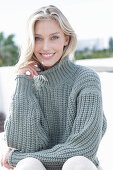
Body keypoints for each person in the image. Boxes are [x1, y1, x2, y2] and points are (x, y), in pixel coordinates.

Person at [1, 5, 107, 170]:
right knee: (28, 164)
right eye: (37, 38)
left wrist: (16, 157)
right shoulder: (28, 83)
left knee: (76, 163)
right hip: (38, 167)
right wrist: (23, 84)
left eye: (54, 37)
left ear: (66, 39)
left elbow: (83, 150)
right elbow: (21, 143)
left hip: (80, 166)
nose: (45, 47)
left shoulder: (86, 79)